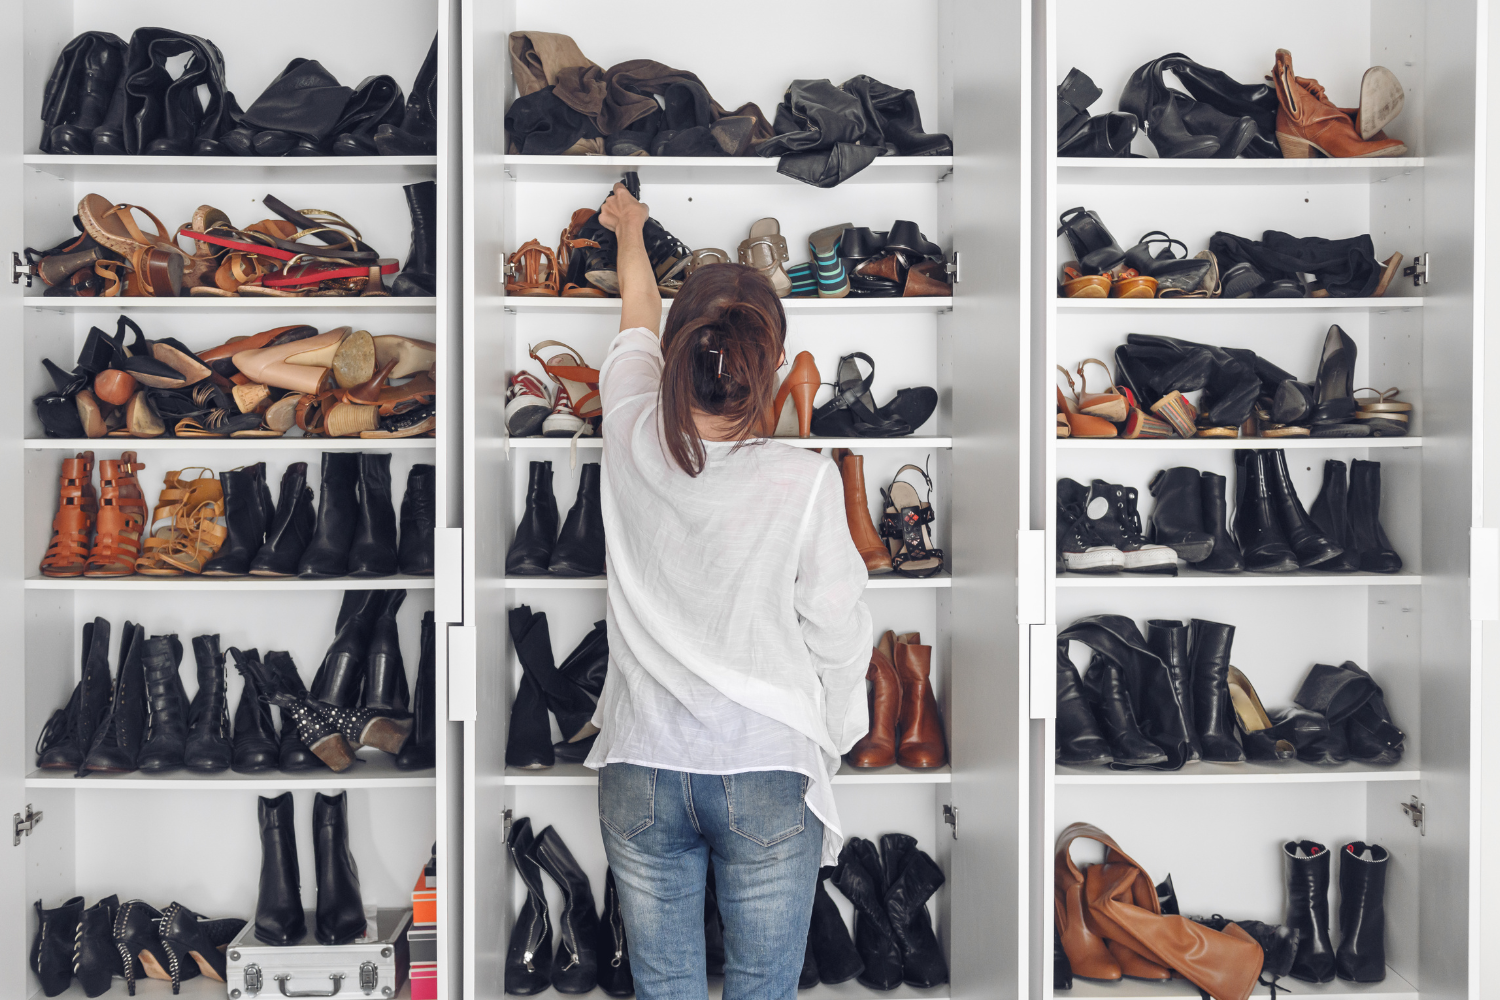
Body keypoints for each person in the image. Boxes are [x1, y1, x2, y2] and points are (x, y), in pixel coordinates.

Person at [583, 182, 872, 1000]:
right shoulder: (806, 480)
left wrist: (630, 231)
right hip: (765, 764)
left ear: (680, 350)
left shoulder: (630, 428)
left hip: (639, 764)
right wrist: (839, 733)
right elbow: (840, 629)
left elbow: (635, 317)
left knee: (665, 986)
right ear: (772, 366)